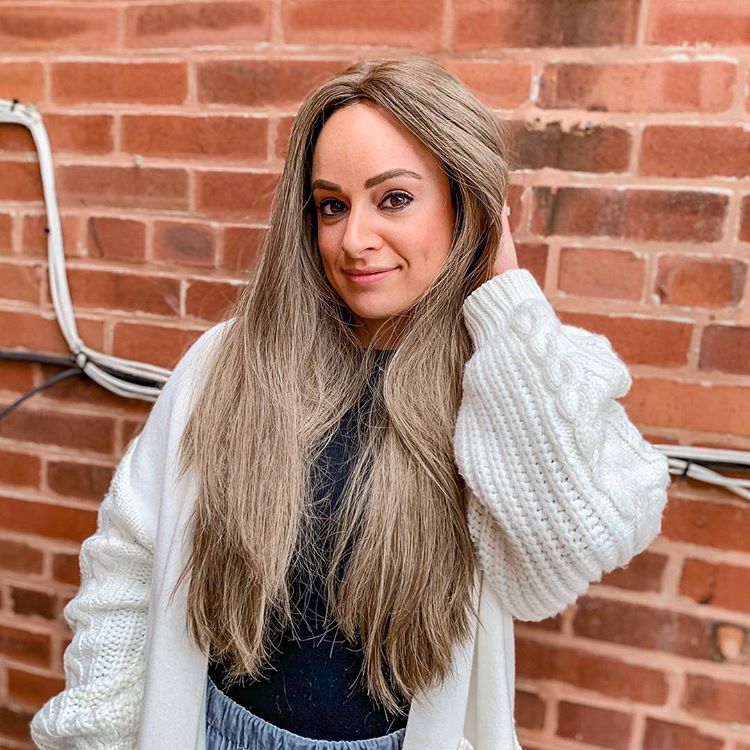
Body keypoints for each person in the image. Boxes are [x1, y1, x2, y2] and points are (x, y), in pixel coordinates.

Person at [30, 57, 671, 750]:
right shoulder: (228, 362)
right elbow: (128, 561)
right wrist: (97, 733)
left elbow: (568, 552)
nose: (354, 240)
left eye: (393, 199)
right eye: (332, 205)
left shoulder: (508, 374)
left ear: (467, 204)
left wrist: (506, 296)